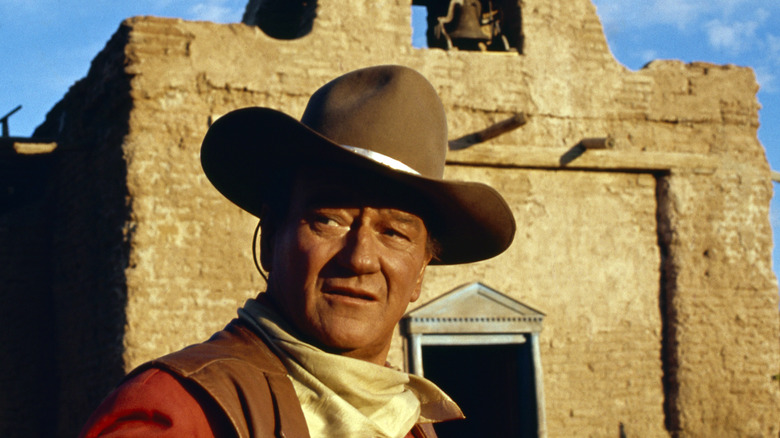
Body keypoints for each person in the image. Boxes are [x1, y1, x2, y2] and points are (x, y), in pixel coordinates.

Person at [78, 65, 516, 438]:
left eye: (394, 233)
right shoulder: (182, 411)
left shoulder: (409, 424)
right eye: (329, 219)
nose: (360, 259)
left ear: (420, 273)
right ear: (271, 238)